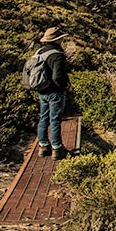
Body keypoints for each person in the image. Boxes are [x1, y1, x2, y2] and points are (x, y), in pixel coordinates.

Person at [35, 26, 70, 160]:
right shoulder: (57, 55)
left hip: (42, 90)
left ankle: (43, 147)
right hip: (55, 92)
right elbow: (57, 77)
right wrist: (64, 86)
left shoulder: (39, 52)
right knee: (55, 120)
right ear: (57, 39)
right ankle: (57, 149)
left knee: (43, 118)